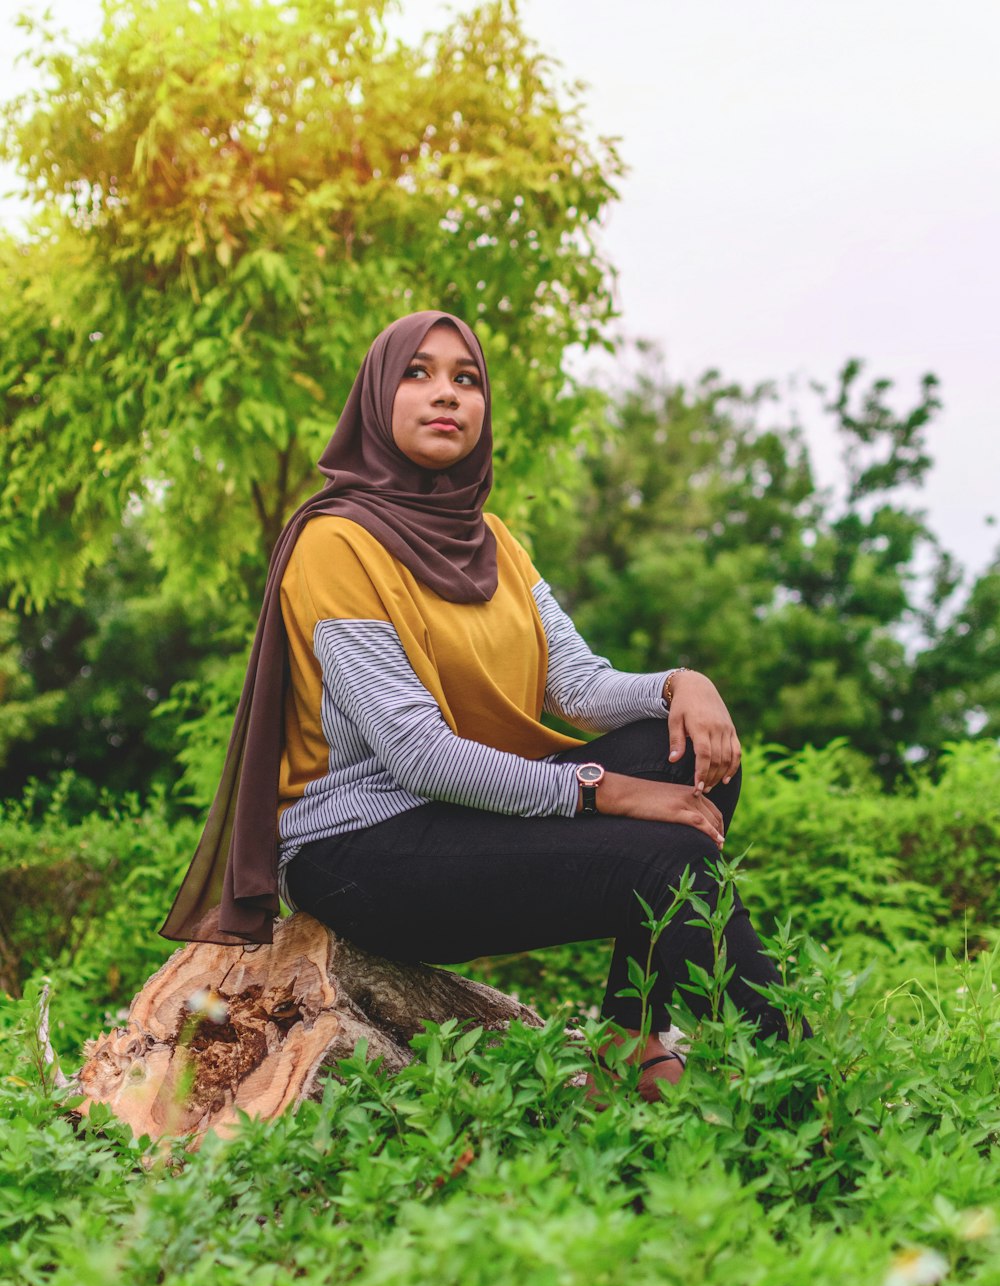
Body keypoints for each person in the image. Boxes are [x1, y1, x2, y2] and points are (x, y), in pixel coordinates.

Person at [162, 309, 808, 1102]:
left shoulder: (493, 539)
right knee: (665, 858)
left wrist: (683, 686)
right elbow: (416, 753)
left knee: (691, 759)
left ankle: (626, 1043)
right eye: (419, 373)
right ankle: (799, 1088)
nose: (448, 395)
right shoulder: (335, 543)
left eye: (466, 379)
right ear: (376, 398)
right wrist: (606, 791)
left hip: (461, 814)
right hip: (359, 848)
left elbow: (577, 686)